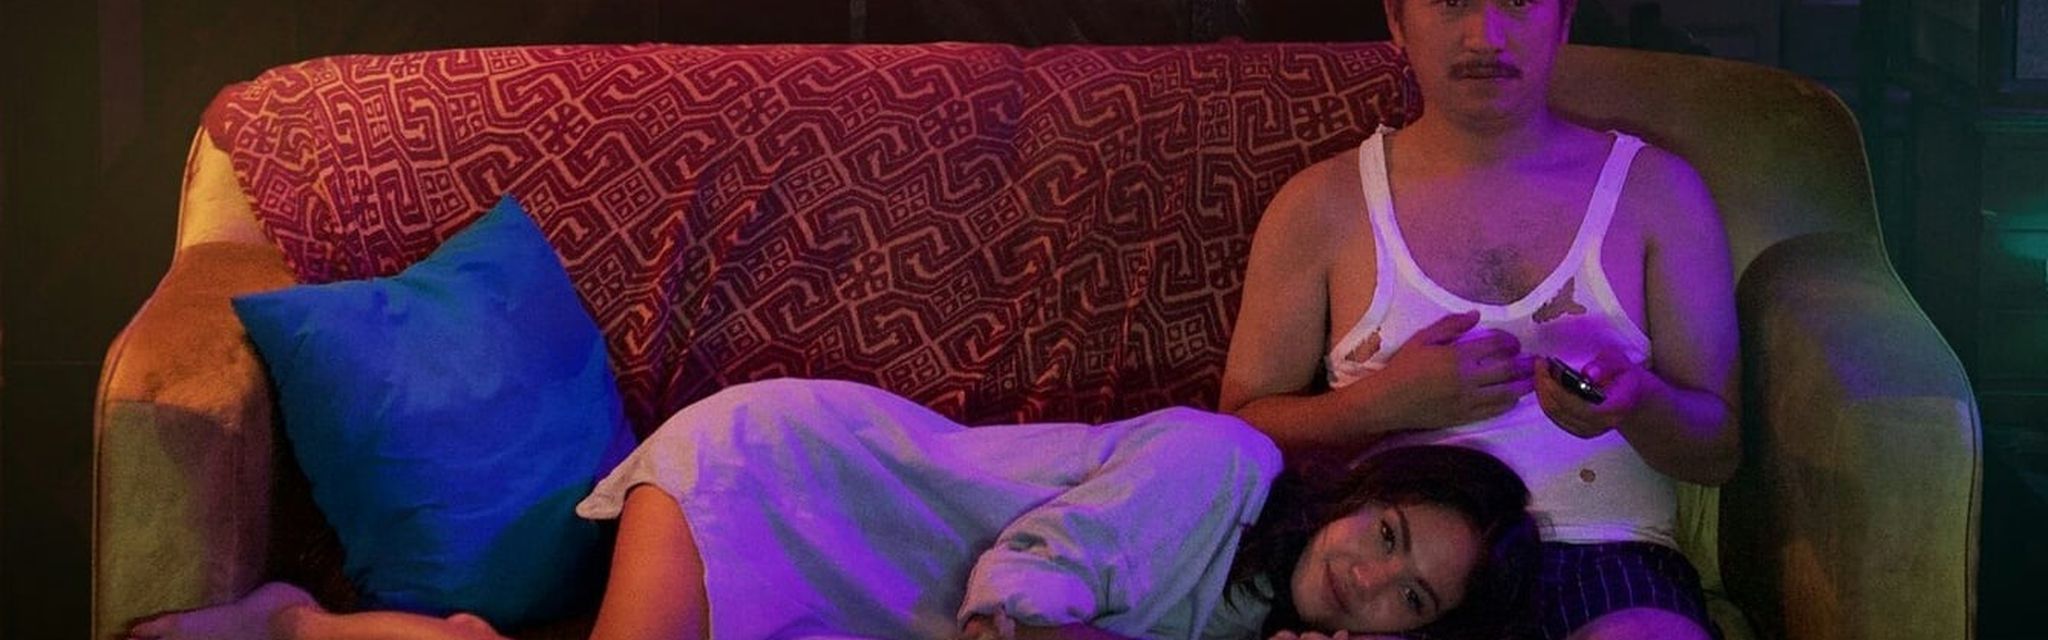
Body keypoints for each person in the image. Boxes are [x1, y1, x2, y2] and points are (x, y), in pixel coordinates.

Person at [130, 378, 1538, 640]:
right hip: (780, 477)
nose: (1372, 579)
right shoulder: (1220, 471)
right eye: (1387, 537)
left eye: (1412, 596)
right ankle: (300, 629)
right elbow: (1029, 578)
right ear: (1357, 498)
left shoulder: (1258, 623)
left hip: (853, 594)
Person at [1217, 0, 1740, 639]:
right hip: (1401, 584)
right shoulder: (1320, 204)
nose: (1485, 36)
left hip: (1604, 558)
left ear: (1563, 19)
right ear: (1397, 20)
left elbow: (1718, 452)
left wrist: (1636, 405)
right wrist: (1382, 404)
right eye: (1452, 1)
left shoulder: (1657, 192)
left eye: (1517, 2)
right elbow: (1238, 437)